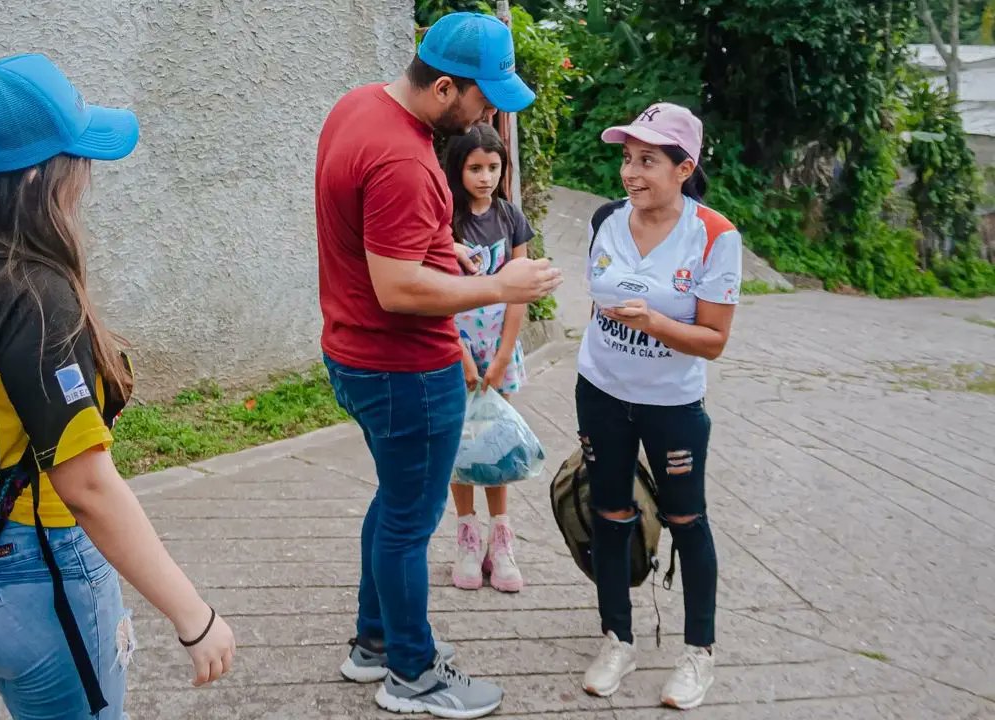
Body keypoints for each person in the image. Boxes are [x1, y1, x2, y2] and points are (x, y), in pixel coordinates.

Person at [0, 54, 235, 718]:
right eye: (76, 158)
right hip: (40, 572)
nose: (85, 175)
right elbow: (86, 486)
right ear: (38, 177)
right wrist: (193, 615)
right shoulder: (35, 297)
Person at [315, 12, 562, 719]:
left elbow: (376, 232)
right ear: (445, 86)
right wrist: (499, 284)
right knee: (409, 519)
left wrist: (434, 244)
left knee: (393, 502)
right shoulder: (406, 161)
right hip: (406, 370)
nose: (490, 114)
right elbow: (397, 289)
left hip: (354, 353)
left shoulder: (359, 107)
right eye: (484, 98)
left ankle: (373, 645)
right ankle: (413, 673)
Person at [574, 103, 741, 710]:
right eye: (626, 158)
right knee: (611, 515)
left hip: (671, 404)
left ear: (683, 167)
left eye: (647, 160)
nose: (630, 172)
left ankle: (699, 653)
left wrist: (654, 321)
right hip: (600, 390)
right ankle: (617, 638)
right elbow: (595, 302)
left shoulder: (716, 237)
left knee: (686, 521)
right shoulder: (604, 220)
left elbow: (715, 342)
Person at [442, 123, 534, 594]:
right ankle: (466, 535)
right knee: (461, 440)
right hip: (454, 348)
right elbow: (438, 291)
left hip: (500, 348)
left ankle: (501, 538)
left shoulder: (512, 218)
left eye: (493, 167)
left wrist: (500, 359)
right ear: (457, 170)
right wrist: (460, 355)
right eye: (475, 167)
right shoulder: (446, 223)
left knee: (496, 440)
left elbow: (519, 291)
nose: (485, 177)